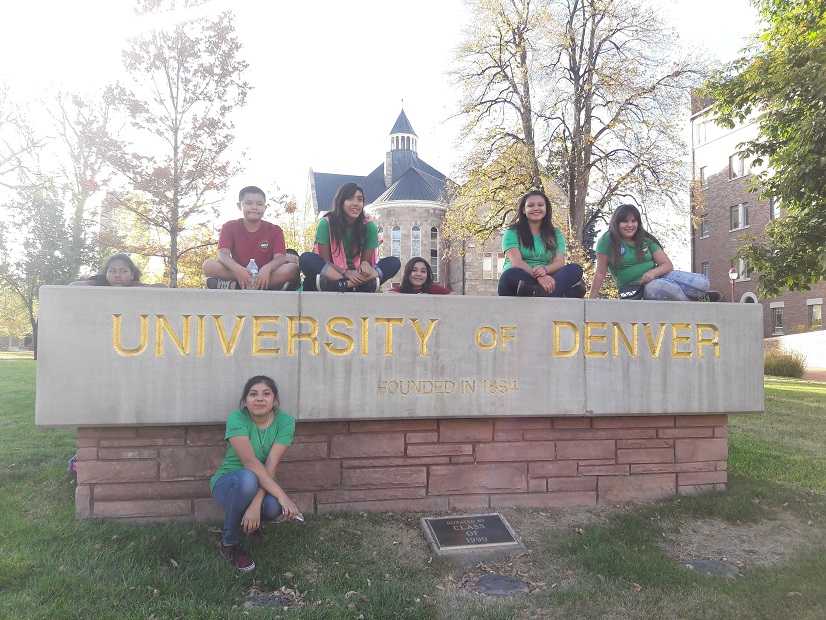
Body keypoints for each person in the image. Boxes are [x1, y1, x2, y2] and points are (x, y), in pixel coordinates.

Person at [210, 375, 301, 572]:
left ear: (274, 400)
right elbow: (249, 462)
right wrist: (283, 494)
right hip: (229, 483)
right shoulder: (237, 418)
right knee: (247, 477)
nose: (259, 398)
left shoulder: (285, 422)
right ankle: (229, 544)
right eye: (253, 394)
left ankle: (251, 523)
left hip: (261, 481)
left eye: (266, 394)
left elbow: (271, 464)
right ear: (245, 400)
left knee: (274, 506)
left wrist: (257, 503)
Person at [588, 204, 716, 301]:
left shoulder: (645, 239)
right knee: (665, 287)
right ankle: (698, 304)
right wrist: (591, 301)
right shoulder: (607, 240)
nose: (630, 225)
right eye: (625, 221)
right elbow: (600, 272)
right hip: (638, 287)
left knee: (702, 283)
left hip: (660, 276)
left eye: (633, 221)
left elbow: (667, 264)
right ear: (617, 223)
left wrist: (652, 272)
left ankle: (700, 297)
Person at [300, 182, 400, 292]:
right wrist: (345, 273)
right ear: (340, 202)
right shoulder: (326, 224)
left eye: (360, 199)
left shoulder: (369, 227)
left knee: (394, 262)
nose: (356, 203)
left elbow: (365, 262)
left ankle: (342, 285)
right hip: (333, 272)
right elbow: (325, 261)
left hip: (357, 275)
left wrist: (365, 264)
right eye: (350, 198)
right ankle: (352, 285)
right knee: (306, 258)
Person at [202, 186, 300, 290]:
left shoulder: (275, 230)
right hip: (238, 272)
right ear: (240, 206)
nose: (254, 207)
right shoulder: (229, 226)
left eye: (259, 204)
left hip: (266, 274)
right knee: (208, 265)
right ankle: (257, 285)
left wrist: (267, 268)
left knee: (292, 268)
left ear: (265, 207)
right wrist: (238, 269)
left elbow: (280, 258)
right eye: (249, 203)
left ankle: (235, 286)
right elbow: (222, 254)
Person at [497, 190, 585, 297]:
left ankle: (538, 292)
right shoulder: (512, 232)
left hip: (546, 278)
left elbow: (559, 262)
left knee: (575, 269)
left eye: (540, 205)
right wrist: (539, 277)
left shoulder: (555, 234)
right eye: (530, 205)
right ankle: (561, 294)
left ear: (546, 209)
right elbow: (516, 261)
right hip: (518, 279)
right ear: (523, 210)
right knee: (510, 274)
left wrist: (544, 270)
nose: (536, 208)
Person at [69, 254, 167, 287]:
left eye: (123, 271)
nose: (118, 275)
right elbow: (74, 286)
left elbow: (162, 287)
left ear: (132, 275)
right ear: (106, 274)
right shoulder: (98, 283)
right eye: (113, 271)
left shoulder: (135, 286)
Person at [386, 257, 452, 294]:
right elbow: (387, 295)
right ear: (407, 272)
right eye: (414, 270)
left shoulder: (432, 288)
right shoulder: (400, 289)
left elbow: (455, 296)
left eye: (423, 271)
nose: (419, 274)